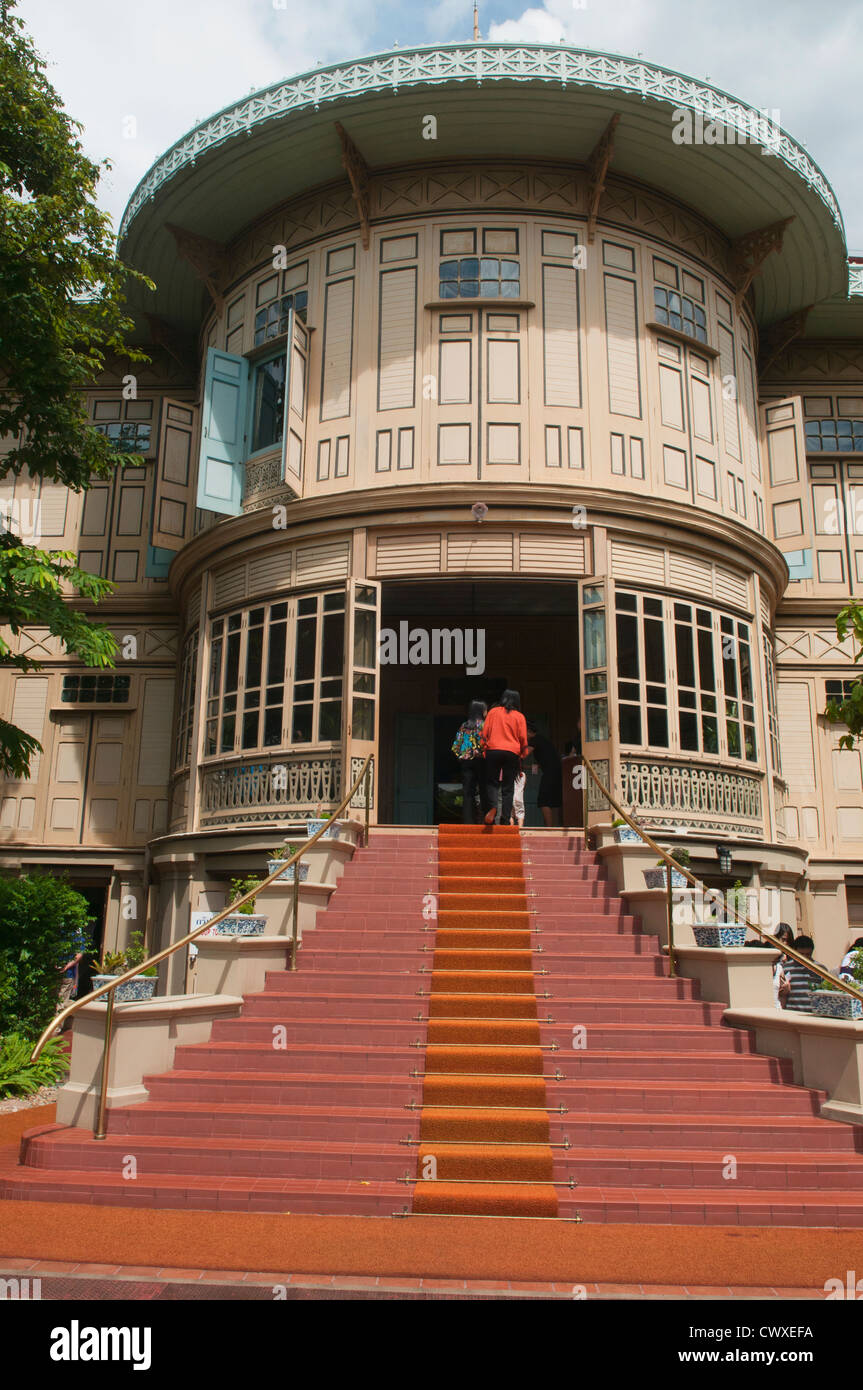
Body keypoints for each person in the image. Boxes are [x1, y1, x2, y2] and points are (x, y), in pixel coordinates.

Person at [481, 690, 527, 826]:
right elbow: (523, 738)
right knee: (508, 787)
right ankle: (505, 819)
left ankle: (493, 808)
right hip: (512, 752)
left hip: (493, 750)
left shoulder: (493, 712)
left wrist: (484, 749)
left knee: (492, 783)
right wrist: (522, 755)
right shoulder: (519, 716)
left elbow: (485, 733)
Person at [451, 700, 488, 824]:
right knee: (483, 790)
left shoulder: (464, 725)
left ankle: (468, 821)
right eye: (485, 709)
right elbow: (488, 744)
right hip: (482, 761)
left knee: (467, 792)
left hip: (466, 763)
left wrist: (461, 756)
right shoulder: (484, 725)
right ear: (481, 711)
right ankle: (483, 821)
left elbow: (455, 746)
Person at [525, 720, 563, 828]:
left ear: (528, 731)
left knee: (543, 800)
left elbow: (524, 754)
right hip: (555, 771)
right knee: (553, 801)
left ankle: (549, 828)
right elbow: (540, 765)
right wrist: (524, 768)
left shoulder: (535, 740)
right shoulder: (542, 740)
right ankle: (554, 826)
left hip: (551, 772)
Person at [784, 935, 828, 1013]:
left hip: (813, 1015)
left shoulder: (821, 969)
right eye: (801, 954)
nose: (804, 958)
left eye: (808, 954)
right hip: (793, 1014)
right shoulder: (786, 969)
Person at [771, 923, 794, 1008]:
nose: (785, 943)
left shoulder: (792, 959)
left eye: (788, 941)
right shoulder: (771, 958)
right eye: (783, 939)